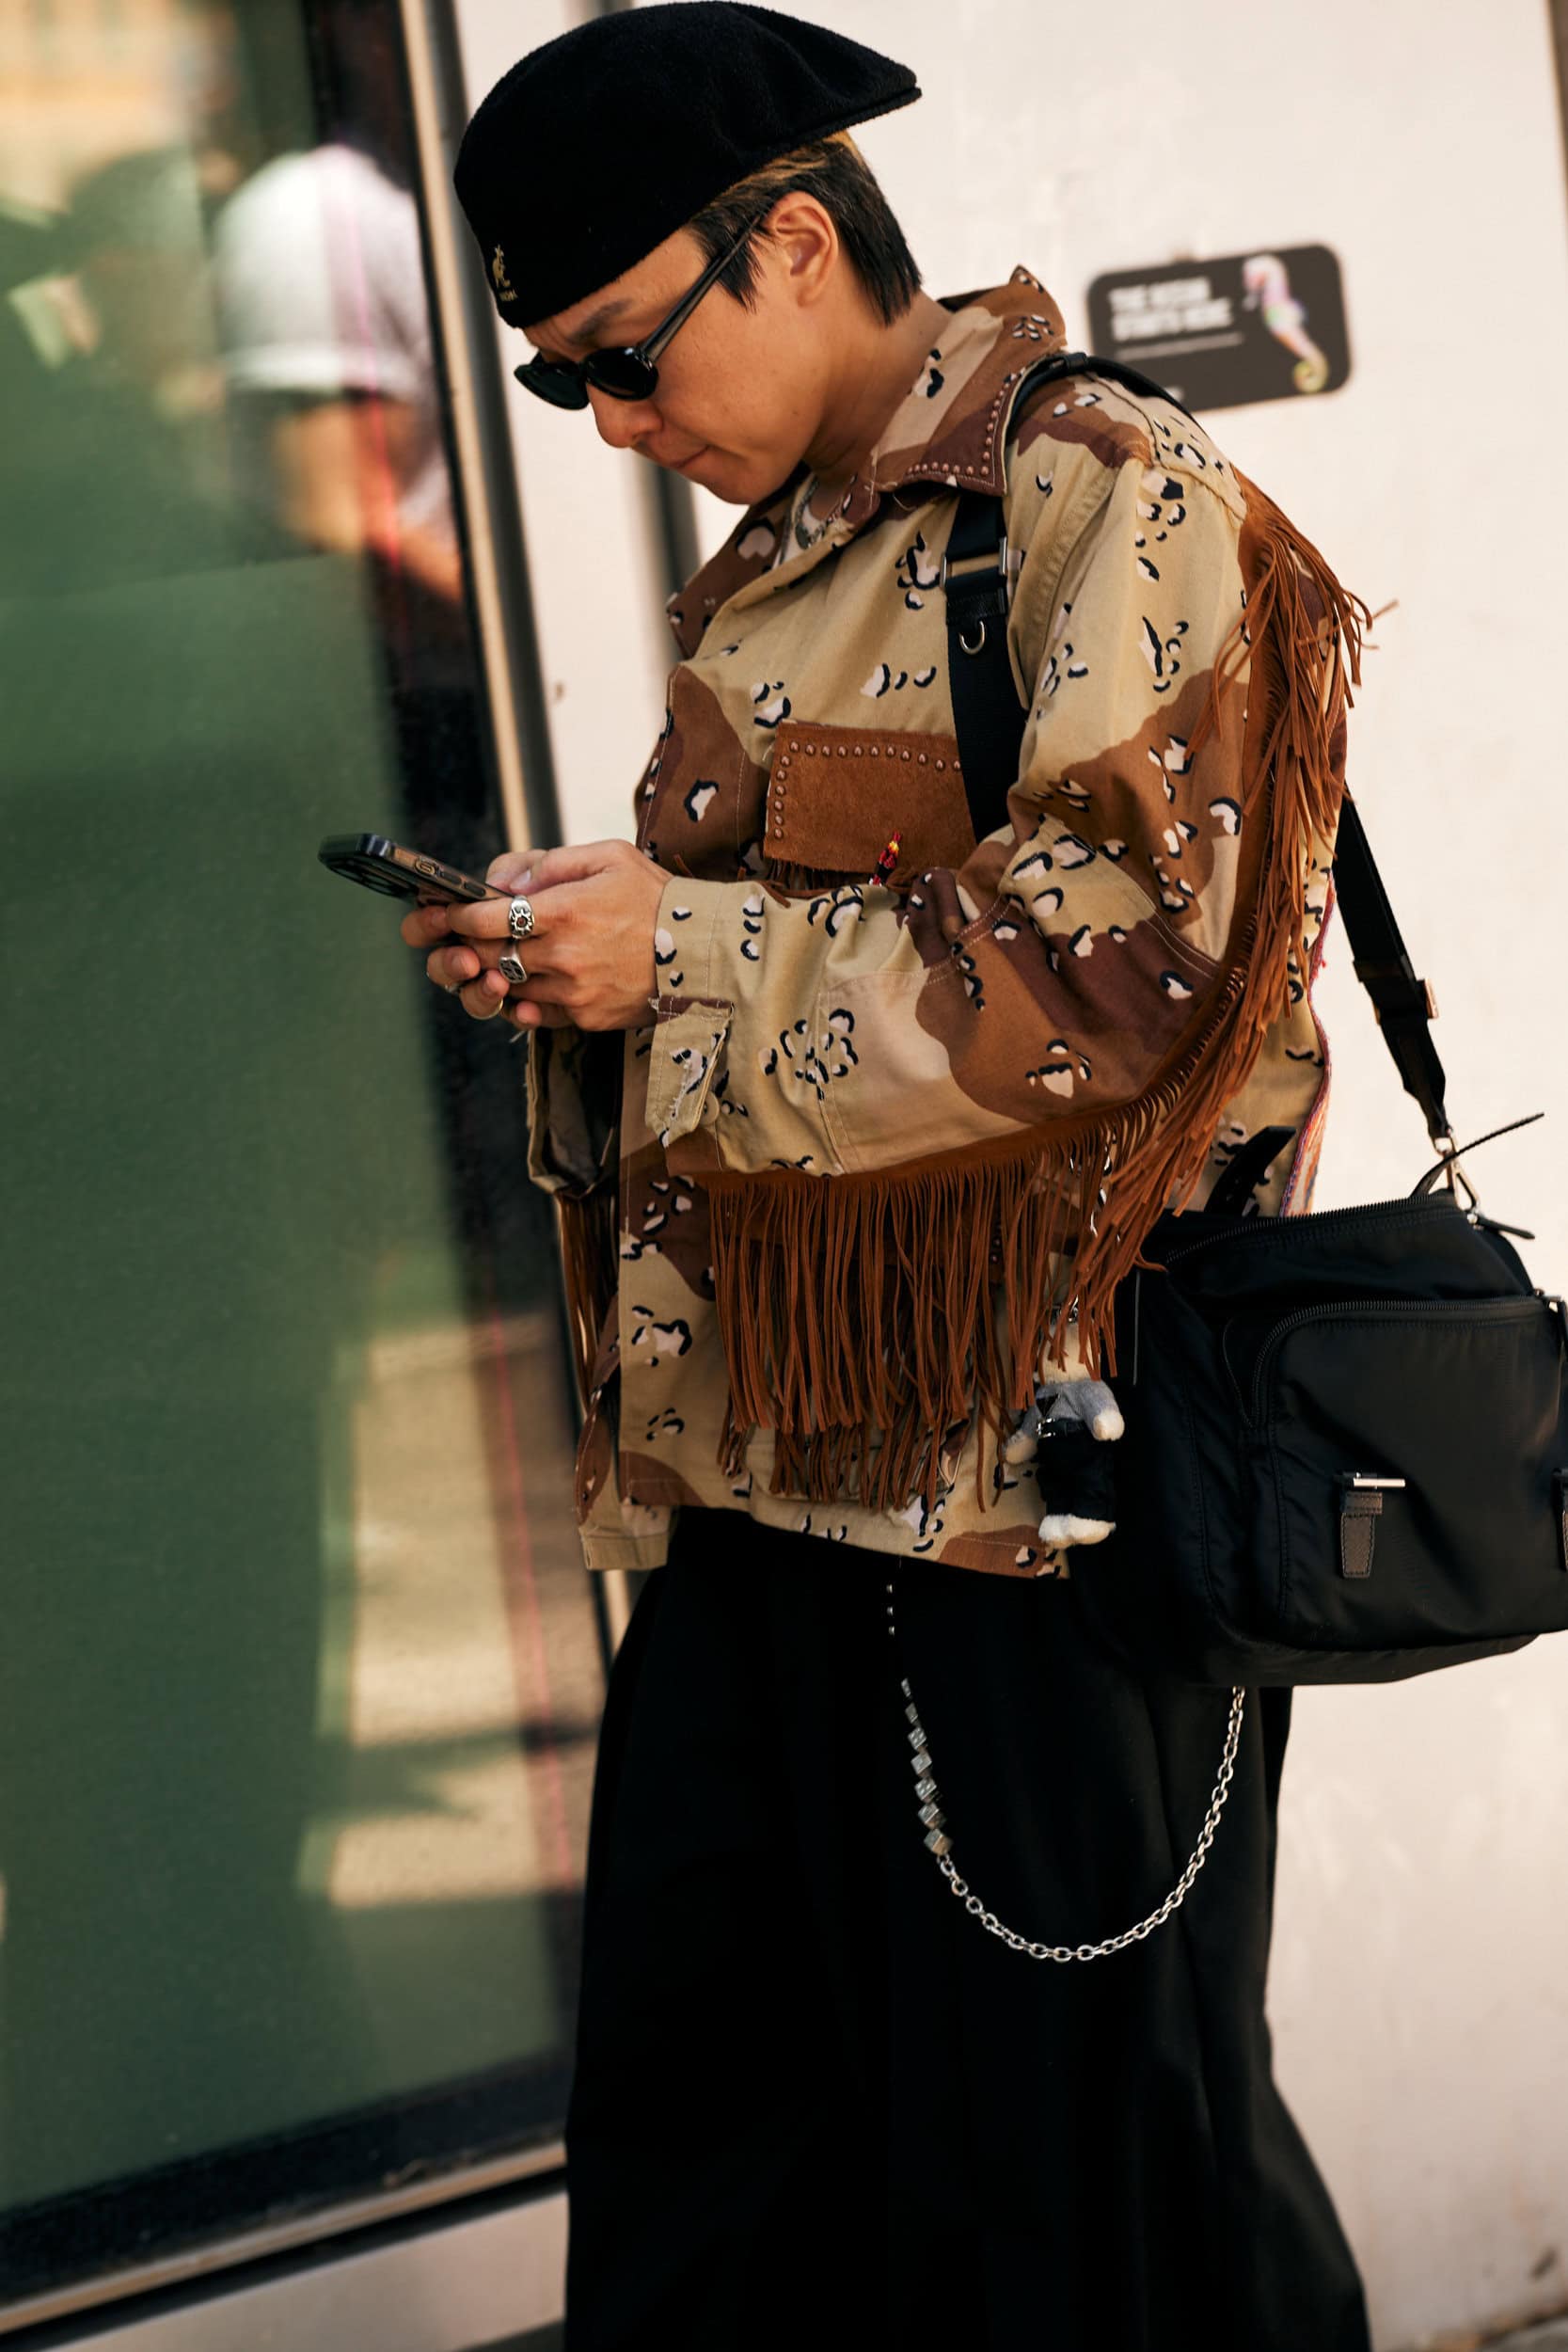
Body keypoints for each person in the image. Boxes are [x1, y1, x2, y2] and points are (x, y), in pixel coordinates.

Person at [406, 7, 1374, 2344]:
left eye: (622, 354)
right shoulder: (788, 557)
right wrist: (587, 964)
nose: (608, 424)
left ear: (793, 241)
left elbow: (1139, 971)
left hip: (1033, 1508)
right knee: (722, 2174)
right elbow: (804, 996)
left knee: (1086, 2200)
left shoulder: (1104, 492)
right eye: (554, 383)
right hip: (769, 1476)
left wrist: (686, 952)